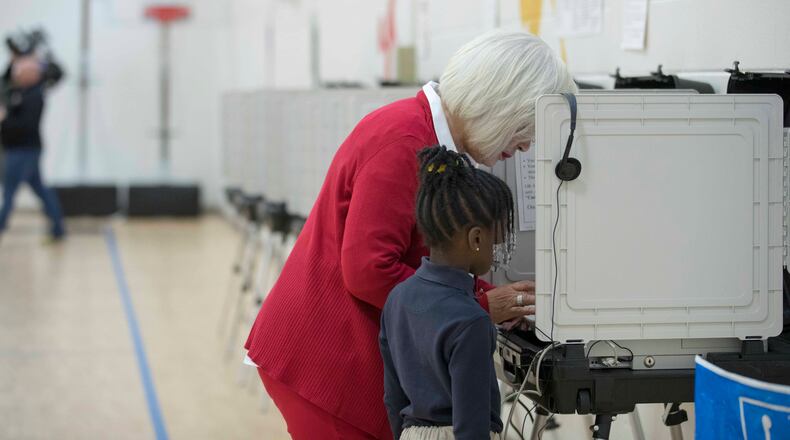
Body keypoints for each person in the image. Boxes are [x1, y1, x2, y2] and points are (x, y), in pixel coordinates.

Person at [244, 30, 576, 439]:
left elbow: (425, 262)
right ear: (501, 106)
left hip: (343, 354)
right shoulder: (405, 141)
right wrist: (477, 305)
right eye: (525, 126)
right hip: (327, 358)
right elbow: (370, 270)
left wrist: (492, 299)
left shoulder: (426, 137)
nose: (526, 145)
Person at [381, 145, 513, 440]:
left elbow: (393, 399)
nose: (495, 253)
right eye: (496, 242)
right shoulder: (472, 320)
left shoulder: (398, 298)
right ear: (477, 238)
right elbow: (472, 427)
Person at [0, 56, 65, 240]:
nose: (18, 76)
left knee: (10, 190)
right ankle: (58, 227)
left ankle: (1, 223)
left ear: (33, 74)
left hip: (24, 149)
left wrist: (4, 119)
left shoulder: (34, 95)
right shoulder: (20, 92)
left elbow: (25, 124)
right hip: (20, 148)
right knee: (40, 189)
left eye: (22, 72)